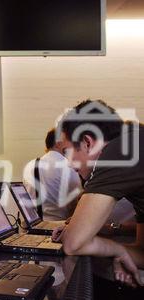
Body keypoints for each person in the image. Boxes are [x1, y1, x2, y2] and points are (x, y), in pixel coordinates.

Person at [52, 99, 144, 287]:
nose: (69, 163)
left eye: (68, 152)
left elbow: (73, 243)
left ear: (87, 142)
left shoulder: (122, 151)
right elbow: (142, 253)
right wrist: (116, 247)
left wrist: (115, 250)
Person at [23, 128, 82, 221]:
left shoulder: (31, 165)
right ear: (58, 143)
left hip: (34, 225)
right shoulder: (69, 165)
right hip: (60, 227)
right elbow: (76, 204)